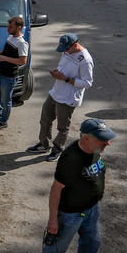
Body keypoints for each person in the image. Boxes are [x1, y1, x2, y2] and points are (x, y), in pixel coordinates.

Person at [32, 118, 116, 253]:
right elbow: (56, 189)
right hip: (71, 214)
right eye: (103, 139)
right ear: (87, 138)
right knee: (56, 248)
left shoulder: (93, 149)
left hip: (91, 209)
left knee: (92, 243)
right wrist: (53, 219)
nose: (107, 143)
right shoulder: (71, 159)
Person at [27, 34, 94, 162]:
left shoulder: (85, 60)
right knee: (45, 120)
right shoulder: (67, 52)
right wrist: (57, 72)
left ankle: (57, 149)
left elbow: (87, 83)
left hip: (68, 98)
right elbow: (63, 67)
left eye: (66, 49)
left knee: (62, 127)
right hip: (55, 92)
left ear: (75, 45)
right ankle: (44, 144)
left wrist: (66, 79)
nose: (64, 51)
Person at [0, 16, 30, 130]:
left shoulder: (22, 43)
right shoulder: (11, 37)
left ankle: (3, 121)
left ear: (19, 27)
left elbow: (22, 61)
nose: (8, 29)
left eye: (11, 27)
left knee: (6, 100)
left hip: (9, 76)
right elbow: (7, 52)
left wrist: (4, 58)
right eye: (8, 26)